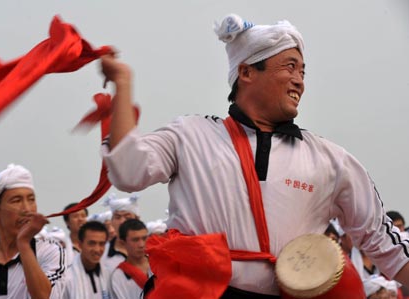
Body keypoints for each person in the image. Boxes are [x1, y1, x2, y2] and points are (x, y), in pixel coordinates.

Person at [99, 13, 409, 297]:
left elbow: (383, 242)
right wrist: (123, 84)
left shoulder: (330, 160)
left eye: (302, 71)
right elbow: (127, 170)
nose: (300, 80)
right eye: (289, 66)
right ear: (247, 72)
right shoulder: (191, 135)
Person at [0, 164, 66, 298]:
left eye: (31, 199)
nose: (27, 209)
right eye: (16, 201)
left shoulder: (49, 251)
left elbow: (44, 296)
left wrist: (24, 244)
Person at [64, 221, 111, 299]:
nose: (97, 249)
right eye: (92, 243)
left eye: (101, 244)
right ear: (80, 244)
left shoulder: (108, 274)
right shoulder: (66, 278)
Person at [110, 219, 152, 299]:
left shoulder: (159, 266)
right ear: (123, 243)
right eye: (135, 240)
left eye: (144, 238)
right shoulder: (119, 276)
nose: (141, 245)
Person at [102, 193, 140, 274]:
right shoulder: (102, 253)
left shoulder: (148, 251)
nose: (122, 222)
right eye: (117, 217)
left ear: (137, 220)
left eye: (127, 217)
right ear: (111, 221)